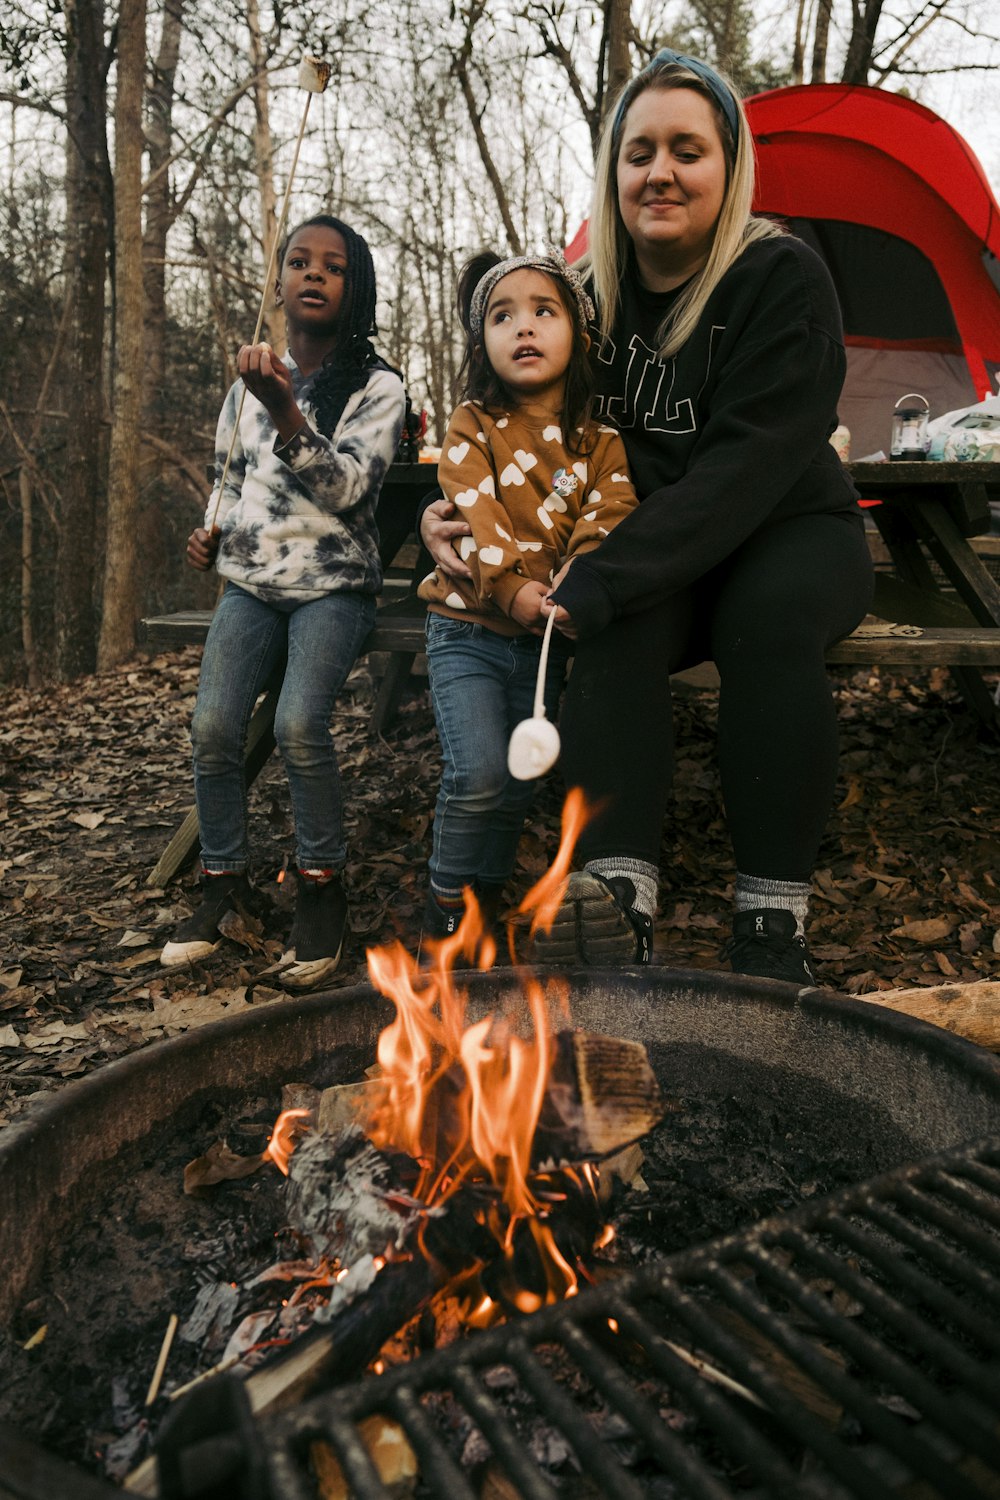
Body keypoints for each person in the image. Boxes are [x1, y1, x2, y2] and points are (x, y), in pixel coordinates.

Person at [420, 51, 874, 983]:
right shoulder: (585, 298)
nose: (660, 171)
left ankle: (771, 924)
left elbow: (747, 468)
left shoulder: (782, 278)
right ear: (612, 172)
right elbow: (511, 426)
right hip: (647, 543)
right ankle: (617, 901)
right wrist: (447, 509)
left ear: (730, 166)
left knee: (765, 621)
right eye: (638, 152)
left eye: (687, 149)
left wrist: (607, 577)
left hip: (788, 529)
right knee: (612, 632)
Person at [160, 214, 405, 986]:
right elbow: (229, 479)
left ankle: (322, 892)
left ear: (355, 289)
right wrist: (210, 534)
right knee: (212, 727)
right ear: (279, 281)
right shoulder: (247, 384)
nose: (313, 275)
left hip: (333, 587)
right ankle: (224, 885)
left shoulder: (378, 387)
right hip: (252, 585)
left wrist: (288, 411)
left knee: (300, 723)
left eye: (332, 267)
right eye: (299, 262)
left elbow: (347, 490)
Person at [419, 251, 639, 942]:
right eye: (502, 315)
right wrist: (512, 587)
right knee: (479, 771)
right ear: (481, 339)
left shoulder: (600, 442)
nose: (524, 327)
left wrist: (580, 579)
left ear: (577, 331)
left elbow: (610, 514)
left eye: (543, 311)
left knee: (516, 781)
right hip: (467, 631)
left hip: (541, 645)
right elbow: (472, 507)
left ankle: (483, 905)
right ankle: (446, 914)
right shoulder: (471, 424)